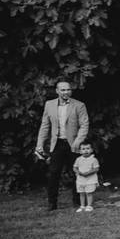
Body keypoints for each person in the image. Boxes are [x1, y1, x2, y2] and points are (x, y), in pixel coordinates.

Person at [35, 80, 89, 211]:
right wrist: (39, 144)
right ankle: (52, 203)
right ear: (57, 91)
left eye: (68, 90)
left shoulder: (79, 105)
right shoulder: (49, 105)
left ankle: (78, 202)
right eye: (63, 90)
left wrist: (77, 142)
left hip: (73, 144)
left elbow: (84, 125)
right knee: (53, 173)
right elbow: (45, 126)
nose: (66, 92)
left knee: (77, 172)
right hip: (57, 144)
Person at [72, 141, 100, 212]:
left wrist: (88, 173)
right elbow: (74, 168)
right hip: (81, 179)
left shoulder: (93, 159)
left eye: (88, 148)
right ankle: (82, 206)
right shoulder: (78, 159)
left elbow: (96, 168)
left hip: (90, 179)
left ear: (91, 150)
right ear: (80, 151)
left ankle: (89, 206)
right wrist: (78, 172)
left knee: (89, 192)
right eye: (83, 149)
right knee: (81, 193)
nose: (86, 150)